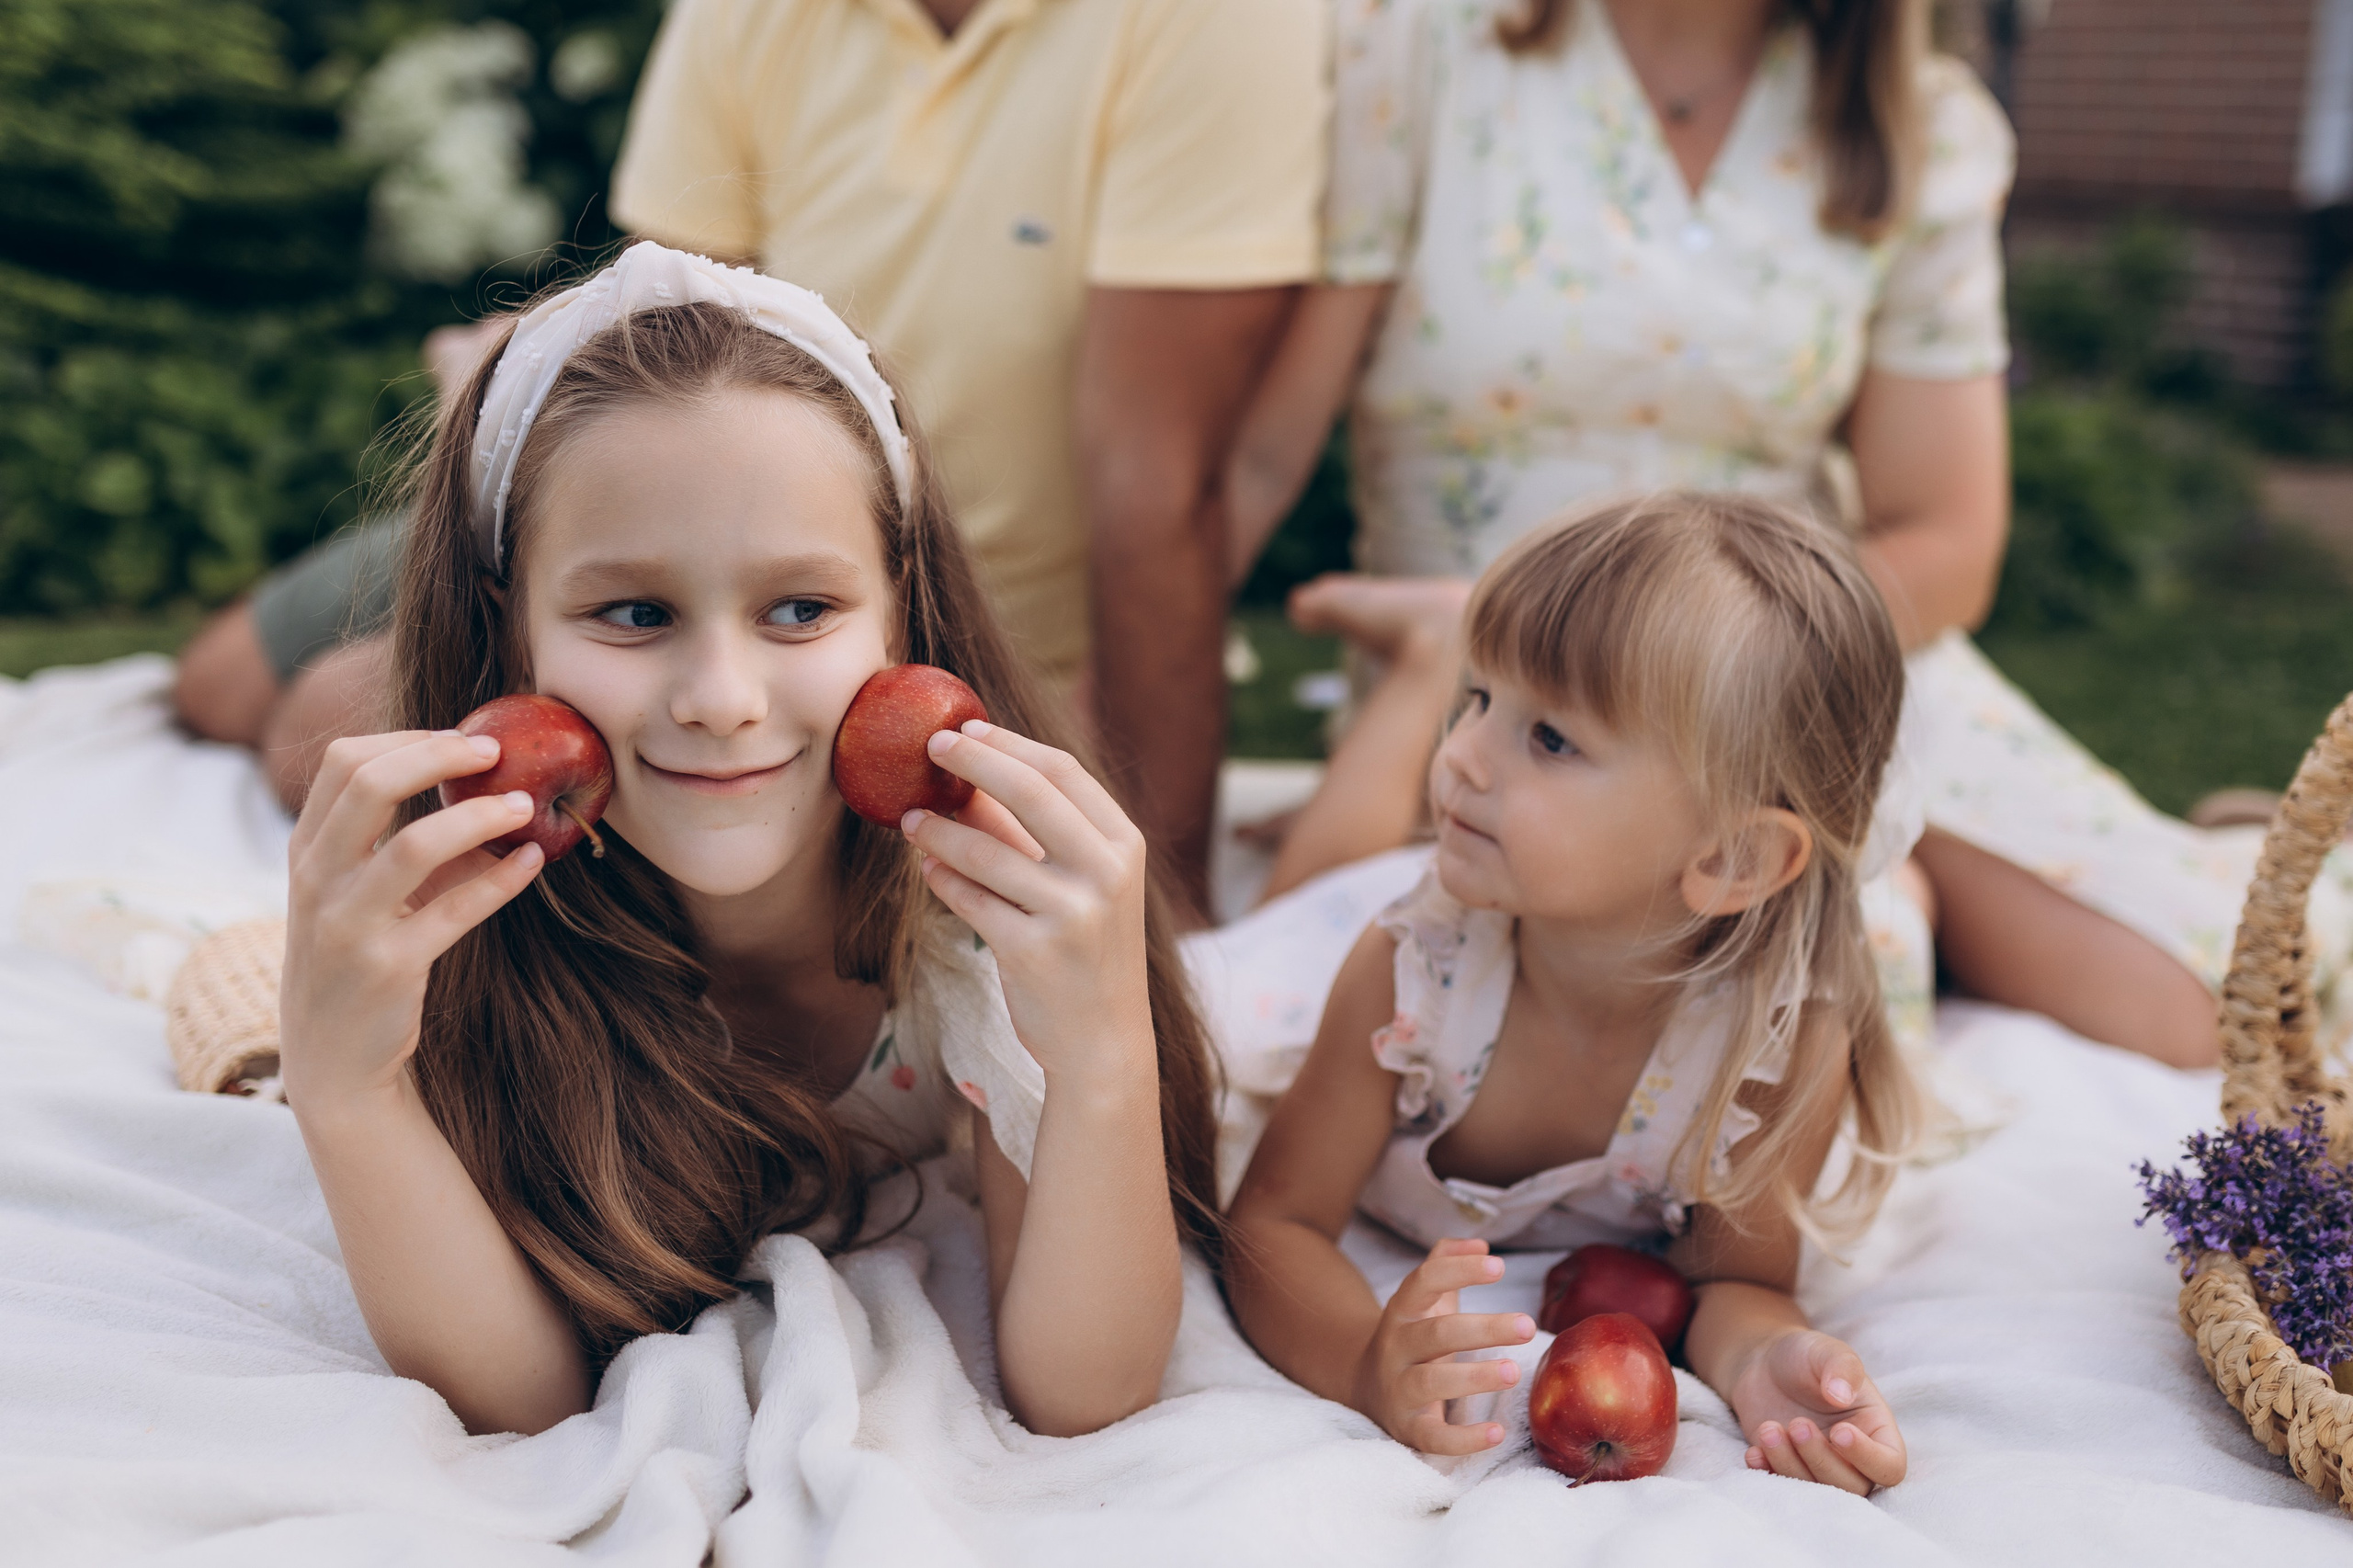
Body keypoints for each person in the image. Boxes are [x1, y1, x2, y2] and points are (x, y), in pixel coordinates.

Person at [266, 243, 1220, 1437]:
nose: (722, 695)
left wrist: (1104, 1053)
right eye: (635, 612)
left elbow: (1087, 1387)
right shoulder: (465, 931)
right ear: (506, 626)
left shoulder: (985, 921)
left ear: (901, 604)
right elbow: (521, 1397)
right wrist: (345, 1088)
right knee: (296, 718)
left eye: (800, 609)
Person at [1220, 0, 2257, 1066]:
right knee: (1828, 960)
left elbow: (1950, 540)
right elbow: (1251, 462)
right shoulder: (1419, 47)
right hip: (1504, 666)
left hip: (1800, 656)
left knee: (2196, 1005)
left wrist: (1718, 670)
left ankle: (1960, 868)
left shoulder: (1917, 122)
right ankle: (1894, 893)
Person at [175, 0, 1329, 917]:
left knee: (323, 718)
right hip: (667, 515)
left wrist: (1167, 900)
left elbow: (1155, 477)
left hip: (868, 587)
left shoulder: (1207, 17)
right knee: (222, 685)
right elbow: (664, 338)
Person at [1225, 494, 1916, 1494]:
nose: (1460, 751)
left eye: (1547, 736)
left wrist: (1763, 1358)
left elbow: (1733, 1277)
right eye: (1474, 697)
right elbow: (1274, 1222)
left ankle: (1430, 646)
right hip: (1361, 928)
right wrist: (1361, 1358)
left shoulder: (1778, 1044)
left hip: (1521, 888)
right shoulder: (1406, 972)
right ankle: (1422, 651)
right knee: (1315, 883)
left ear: (1730, 856)